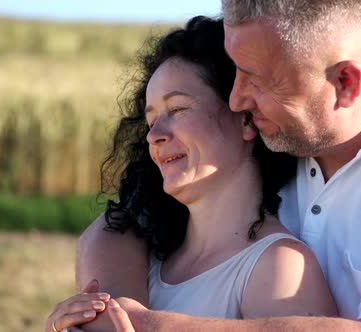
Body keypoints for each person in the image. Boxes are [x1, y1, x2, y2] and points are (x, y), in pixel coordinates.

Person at [51, 0, 361, 330]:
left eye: (257, 79)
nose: (238, 99)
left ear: (344, 83)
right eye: (236, 71)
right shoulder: (282, 130)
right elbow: (126, 224)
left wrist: (152, 324)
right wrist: (104, 306)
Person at [45, 16, 336, 332]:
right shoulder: (146, 258)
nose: (153, 135)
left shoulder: (279, 268)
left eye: (178, 110)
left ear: (247, 119)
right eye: (151, 119)